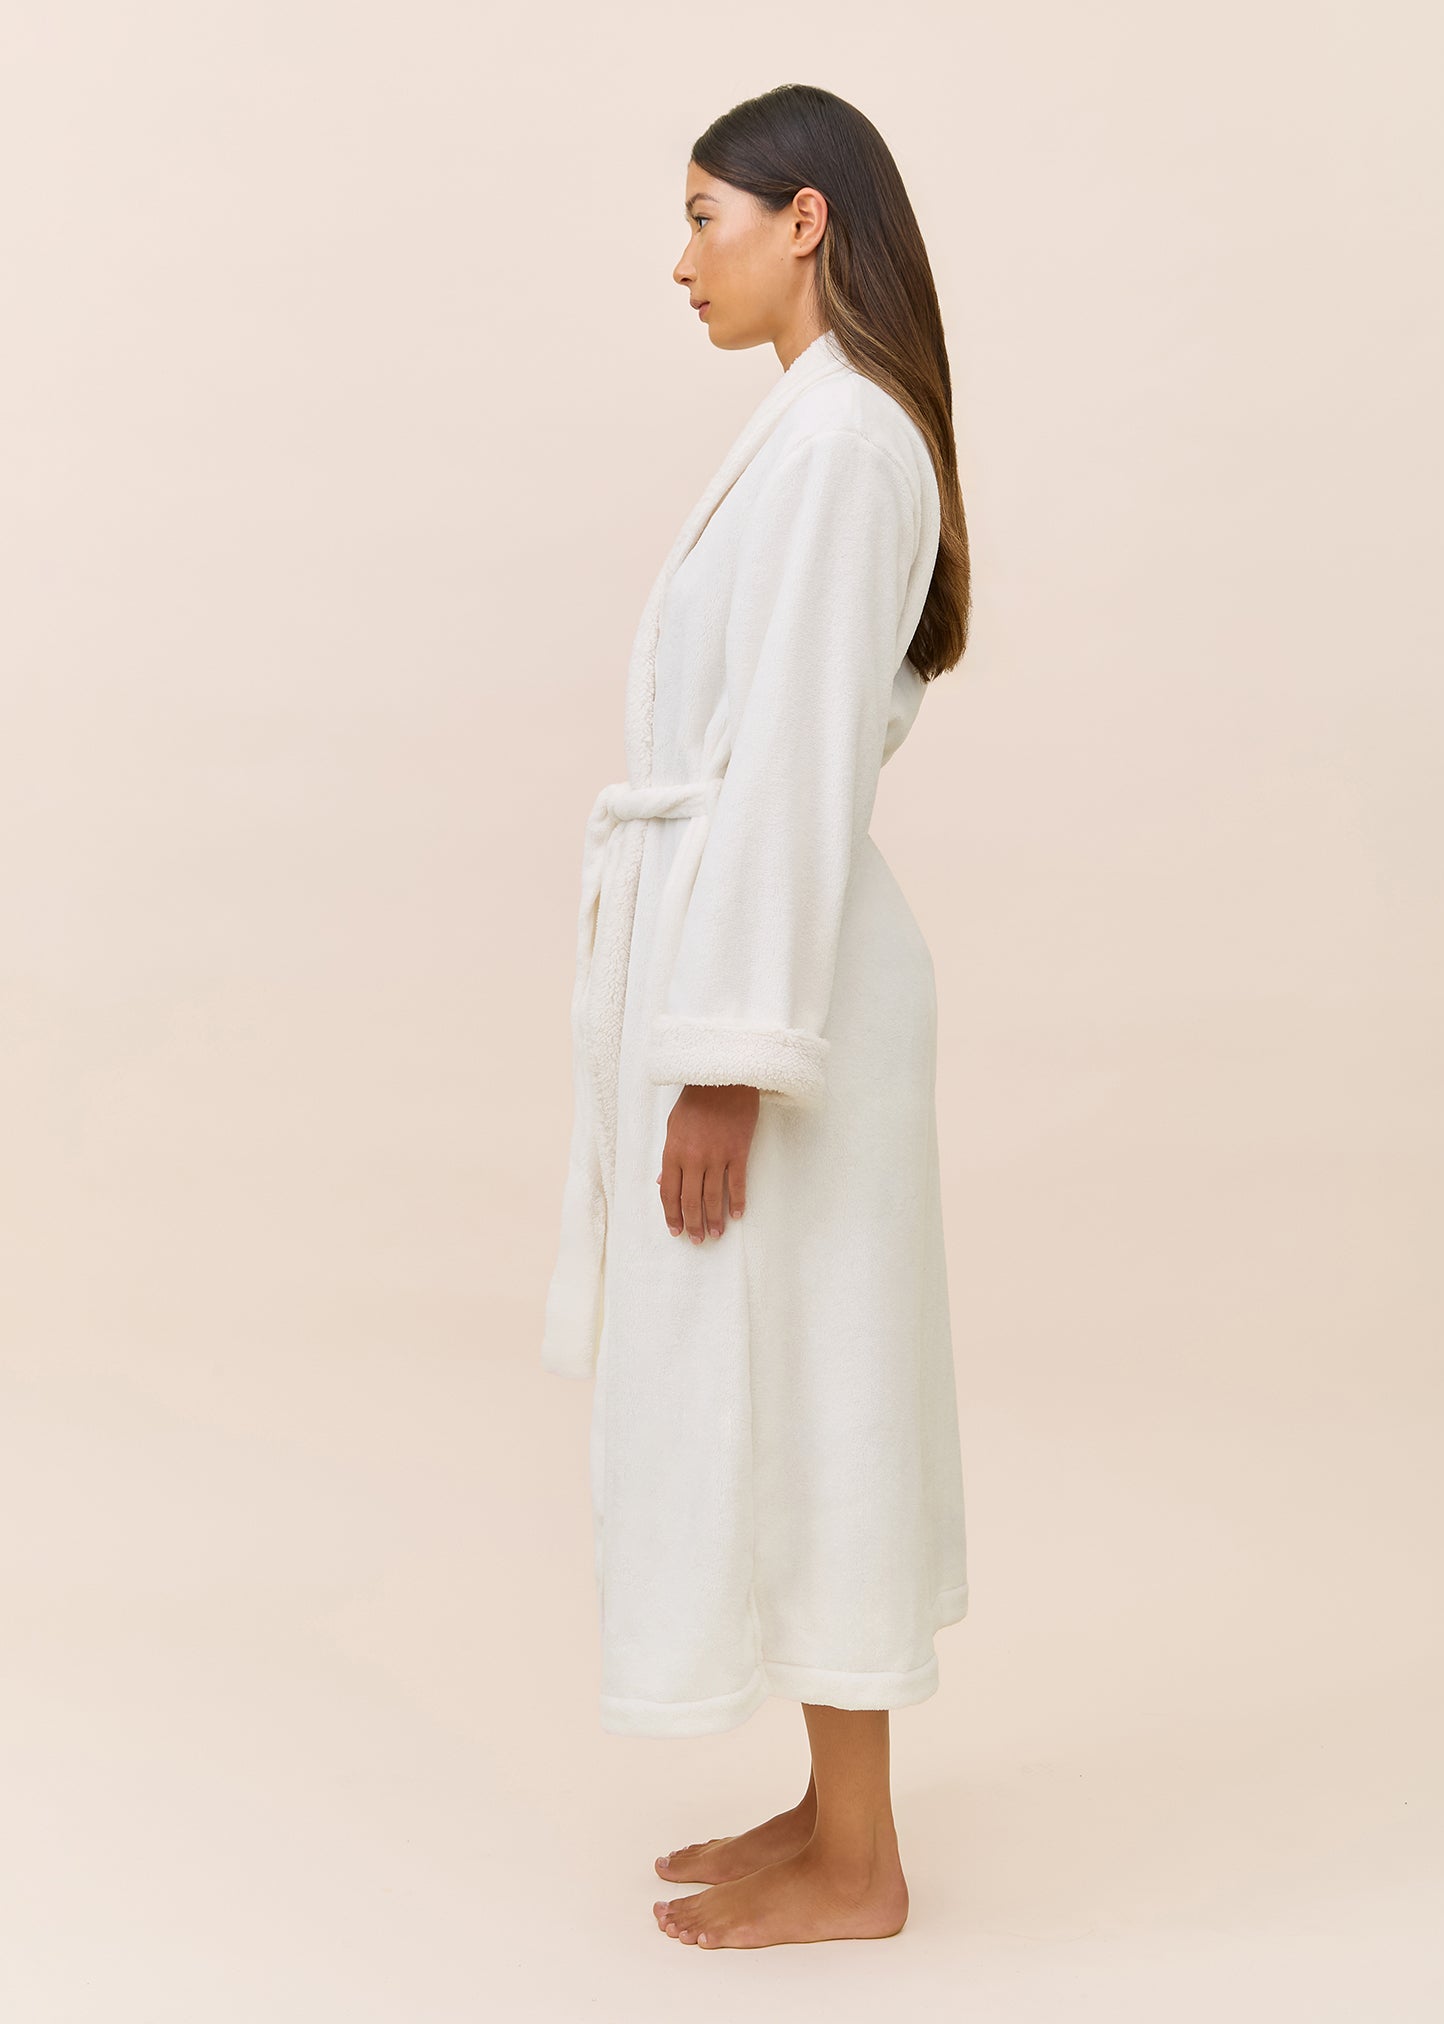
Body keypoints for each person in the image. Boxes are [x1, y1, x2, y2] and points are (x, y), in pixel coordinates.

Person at [541, 83, 972, 1949]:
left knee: (824, 1391)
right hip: (755, 955)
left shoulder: (847, 445)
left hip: (780, 995)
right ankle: (828, 1810)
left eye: (705, 216)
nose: (680, 259)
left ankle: (863, 1867)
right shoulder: (814, 432)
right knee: (786, 1386)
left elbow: (797, 762)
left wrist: (724, 1060)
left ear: (806, 223)